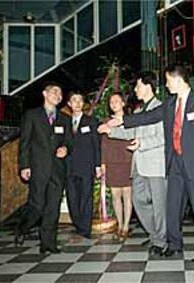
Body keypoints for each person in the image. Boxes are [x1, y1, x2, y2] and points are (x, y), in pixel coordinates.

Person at [107, 64, 194, 264]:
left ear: (178, 80)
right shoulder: (169, 104)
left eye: (168, 81)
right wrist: (123, 120)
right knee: (173, 207)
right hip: (174, 163)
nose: (166, 86)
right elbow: (148, 117)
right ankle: (174, 244)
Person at [99, 71, 167, 255]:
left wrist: (143, 143)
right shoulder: (138, 111)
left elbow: (163, 137)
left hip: (155, 164)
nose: (135, 90)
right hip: (138, 165)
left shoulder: (160, 108)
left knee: (160, 206)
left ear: (147, 86)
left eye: (137, 86)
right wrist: (110, 131)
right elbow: (131, 133)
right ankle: (155, 234)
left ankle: (160, 241)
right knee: (138, 201)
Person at [17, 82, 73, 254]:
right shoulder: (32, 115)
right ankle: (22, 227)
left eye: (60, 93)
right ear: (45, 94)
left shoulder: (65, 119)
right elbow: (24, 143)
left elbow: (69, 141)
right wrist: (24, 165)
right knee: (37, 205)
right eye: (55, 92)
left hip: (57, 169)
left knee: (53, 207)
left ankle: (48, 243)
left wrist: (66, 148)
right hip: (38, 168)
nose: (58, 95)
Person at [66, 91, 101, 239]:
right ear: (69, 104)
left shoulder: (91, 121)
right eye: (74, 100)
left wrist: (98, 165)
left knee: (86, 198)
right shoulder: (63, 122)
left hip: (86, 165)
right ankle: (78, 224)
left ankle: (85, 229)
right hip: (68, 167)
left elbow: (96, 145)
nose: (77, 103)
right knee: (72, 198)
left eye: (80, 100)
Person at [99, 93, 133, 241]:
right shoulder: (106, 122)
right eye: (111, 101)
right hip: (112, 163)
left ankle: (126, 226)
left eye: (117, 101)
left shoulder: (130, 120)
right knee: (115, 196)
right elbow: (104, 145)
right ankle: (119, 225)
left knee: (127, 195)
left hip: (127, 161)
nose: (114, 103)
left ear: (123, 103)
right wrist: (103, 163)